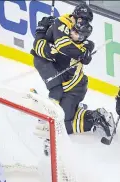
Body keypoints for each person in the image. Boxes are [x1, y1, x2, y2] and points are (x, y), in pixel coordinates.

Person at [30, 2, 115, 142]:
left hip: (74, 87)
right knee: (57, 96)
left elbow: (57, 48)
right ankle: (61, 111)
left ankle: (91, 116)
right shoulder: (66, 30)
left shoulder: (80, 45)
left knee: (62, 126)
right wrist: (41, 32)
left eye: (78, 32)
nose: (73, 32)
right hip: (66, 82)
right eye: (74, 29)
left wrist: (41, 33)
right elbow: (49, 47)